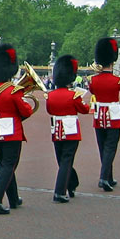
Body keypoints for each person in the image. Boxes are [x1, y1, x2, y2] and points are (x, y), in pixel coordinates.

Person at [0, 43, 33, 215]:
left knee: (5, 164)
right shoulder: (13, 91)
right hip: (11, 132)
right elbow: (25, 111)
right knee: (9, 165)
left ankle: (13, 198)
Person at [88, 37, 120, 192]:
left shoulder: (93, 80)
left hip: (99, 116)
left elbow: (93, 91)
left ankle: (109, 177)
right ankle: (104, 178)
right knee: (111, 147)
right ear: (113, 60)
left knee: (102, 146)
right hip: (113, 116)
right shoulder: (118, 80)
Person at [47, 55, 90, 202]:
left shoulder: (50, 96)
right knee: (66, 160)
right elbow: (84, 110)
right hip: (71, 131)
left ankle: (71, 184)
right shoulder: (74, 95)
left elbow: (49, 110)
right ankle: (59, 192)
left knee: (62, 160)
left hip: (57, 131)